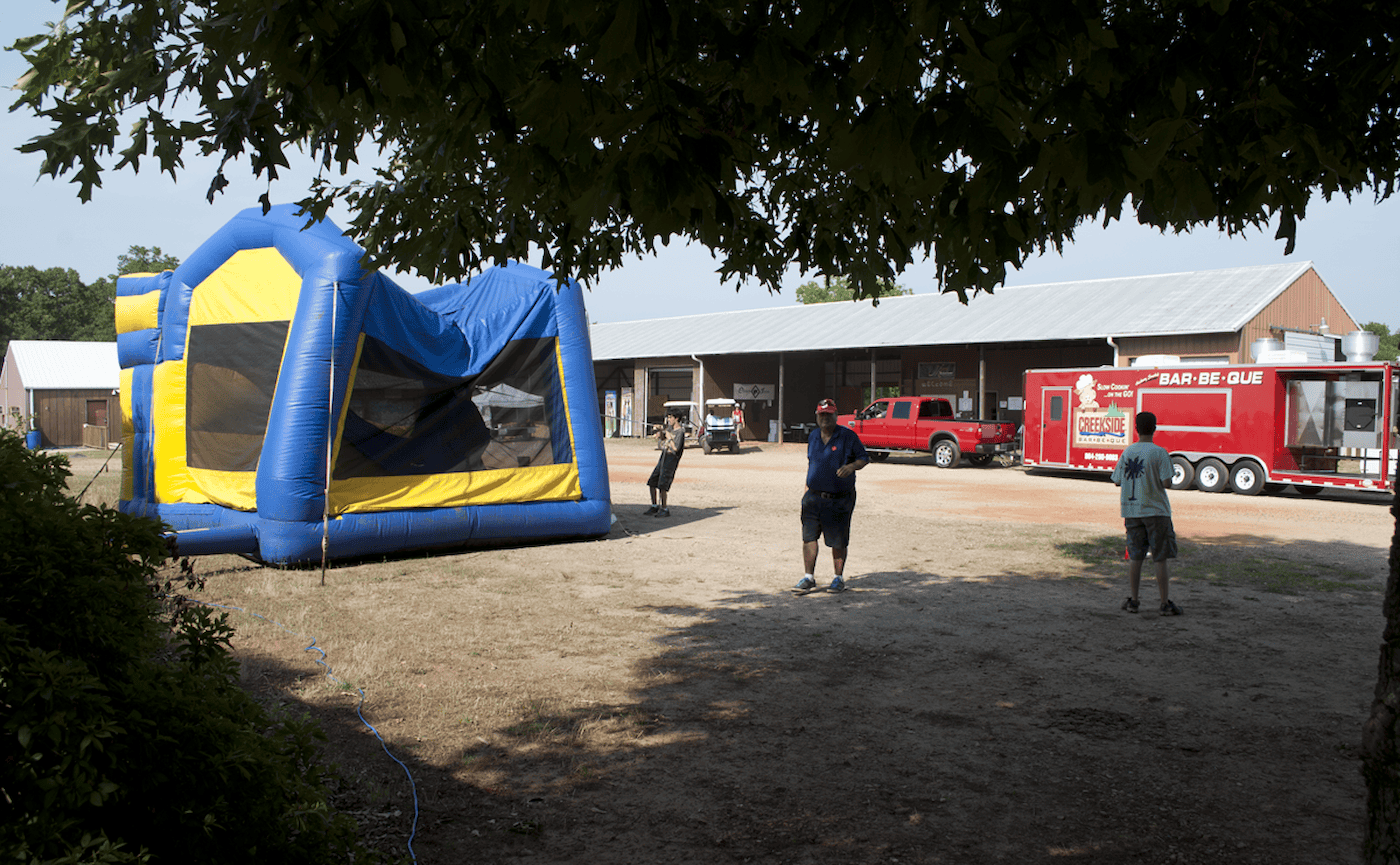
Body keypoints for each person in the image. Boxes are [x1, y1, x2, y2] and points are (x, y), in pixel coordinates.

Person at [1110, 411, 1183, 615]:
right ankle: (1164, 603)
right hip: (1156, 511)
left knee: (1136, 557)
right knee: (1159, 557)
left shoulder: (1128, 452)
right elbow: (1167, 482)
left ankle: (1134, 601)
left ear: (1136, 428)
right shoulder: (1159, 452)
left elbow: (1117, 480)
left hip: (1132, 511)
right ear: (1155, 429)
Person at [794, 398, 869, 593]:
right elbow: (812, 464)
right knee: (809, 537)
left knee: (838, 540)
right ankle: (808, 578)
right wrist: (805, 492)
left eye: (828, 414)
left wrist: (851, 467)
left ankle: (838, 578)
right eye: (822, 414)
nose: (825, 418)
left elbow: (863, 458)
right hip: (813, 497)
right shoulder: (813, 436)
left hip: (839, 498)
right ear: (816, 416)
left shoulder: (847, 436)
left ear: (836, 415)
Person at [645, 413, 685, 518]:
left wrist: (669, 438)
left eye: (670, 418)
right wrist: (660, 431)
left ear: (676, 418)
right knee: (652, 482)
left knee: (662, 485)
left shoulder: (680, 432)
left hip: (671, 460)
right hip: (663, 457)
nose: (668, 420)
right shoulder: (670, 429)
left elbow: (676, 448)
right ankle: (654, 506)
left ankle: (664, 509)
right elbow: (663, 438)